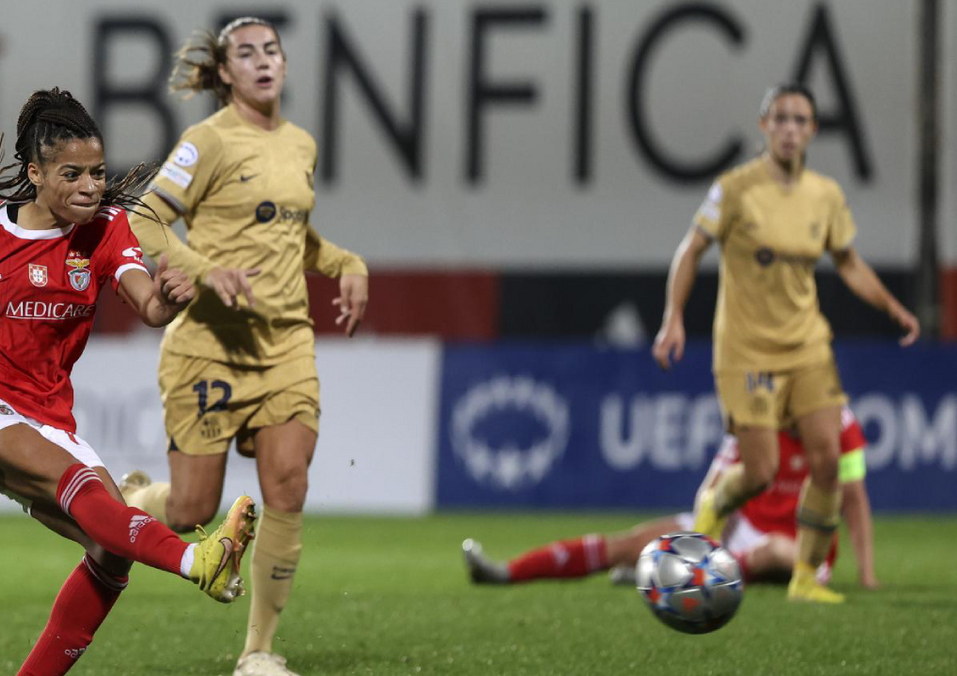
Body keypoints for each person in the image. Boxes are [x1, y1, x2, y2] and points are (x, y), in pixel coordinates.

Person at [0, 87, 257, 676]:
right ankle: (197, 562)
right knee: (83, 485)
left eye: (99, 172)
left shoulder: (107, 230)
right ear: (35, 173)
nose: (91, 186)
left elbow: (148, 307)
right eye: (72, 173)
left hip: (48, 415)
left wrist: (169, 300)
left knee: (111, 553)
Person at [117, 18, 369, 676]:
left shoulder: (301, 145)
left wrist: (345, 262)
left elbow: (297, 237)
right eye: (246, 55)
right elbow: (142, 216)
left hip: (286, 342)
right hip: (208, 347)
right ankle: (138, 502)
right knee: (196, 507)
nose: (262, 62)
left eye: (272, 51)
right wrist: (206, 271)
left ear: (284, 64)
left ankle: (258, 651)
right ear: (225, 74)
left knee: (288, 481)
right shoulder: (208, 141)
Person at [650, 82, 917, 603]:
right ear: (764, 126)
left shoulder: (825, 195)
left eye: (800, 121)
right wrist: (673, 317)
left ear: (813, 130)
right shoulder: (735, 188)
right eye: (781, 119)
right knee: (761, 470)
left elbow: (848, 262)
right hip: (748, 349)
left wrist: (891, 307)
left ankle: (803, 578)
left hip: (808, 347)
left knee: (828, 462)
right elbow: (691, 249)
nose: (791, 129)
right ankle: (713, 503)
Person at [463, 408, 878, 590]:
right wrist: (705, 530)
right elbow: (712, 490)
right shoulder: (752, 419)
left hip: (802, 543)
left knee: (774, 553)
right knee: (629, 543)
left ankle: (675, 575)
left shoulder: (839, 424)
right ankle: (508, 572)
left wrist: (867, 575)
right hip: (740, 526)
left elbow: (854, 500)